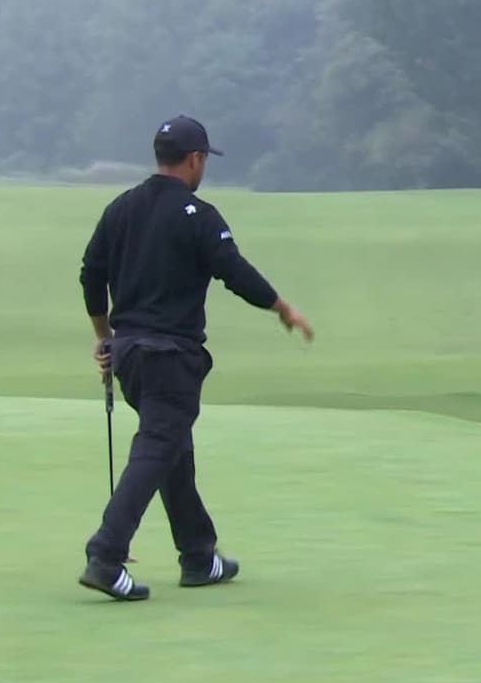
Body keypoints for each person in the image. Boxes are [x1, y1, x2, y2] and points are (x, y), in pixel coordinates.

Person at [76, 115, 314, 602]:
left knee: (173, 454)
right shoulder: (198, 215)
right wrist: (281, 307)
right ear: (196, 159)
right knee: (157, 448)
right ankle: (105, 554)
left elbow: (90, 274)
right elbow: (233, 270)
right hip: (171, 357)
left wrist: (106, 339)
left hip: (132, 358)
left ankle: (199, 556)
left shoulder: (119, 208)